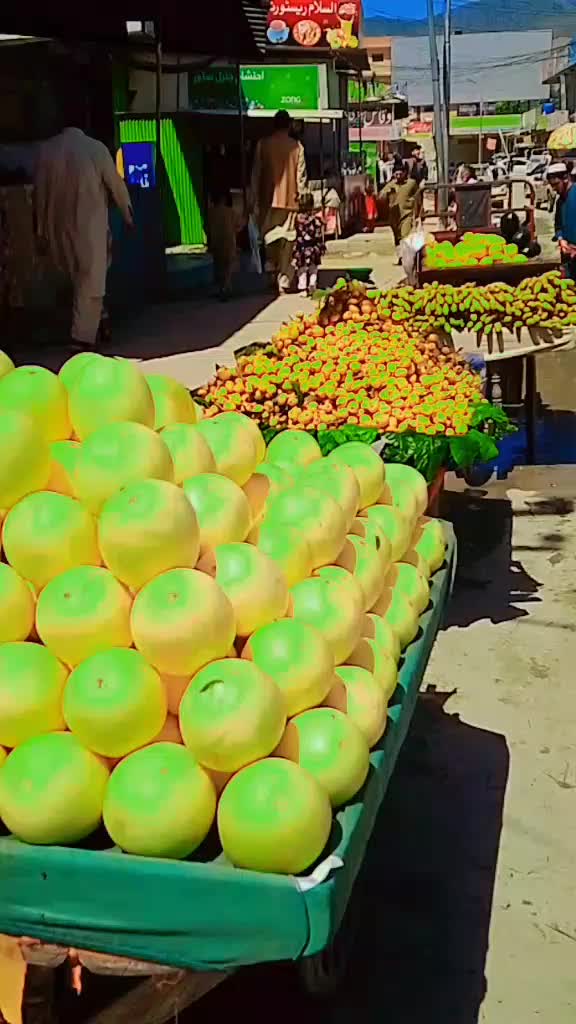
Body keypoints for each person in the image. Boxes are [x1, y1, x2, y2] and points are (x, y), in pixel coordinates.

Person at [35, 125, 133, 351]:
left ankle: (100, 321)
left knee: (79, 280)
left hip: (57, 228)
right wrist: (128, 215)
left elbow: (39, 194)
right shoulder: (96, 149)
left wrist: (40, 230)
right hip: (89, 229)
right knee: (91, 282)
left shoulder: (46, 152)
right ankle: (82, 338)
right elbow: (116, 185)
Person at [250, 109, 307, 294]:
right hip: (290, 201)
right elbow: (301, 177)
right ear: (289, 125)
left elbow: (256, 173)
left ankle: (271, 273)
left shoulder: (263, 145)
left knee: (269, 239)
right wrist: (302, 195)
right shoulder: (297, 147)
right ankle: (283, 279)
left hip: (267, 201)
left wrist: (253, 198)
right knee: (288, 242)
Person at [378, 162, 419, 260]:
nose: (398, 176)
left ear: (405, 173)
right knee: (397, 237)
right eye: (396, 174)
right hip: (394, 217)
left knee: (405, 235)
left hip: (407, 214)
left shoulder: (411, 183)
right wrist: (386, 194)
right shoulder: (391, 185)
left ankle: (406, 257)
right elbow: (380, 197)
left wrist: (418, 211)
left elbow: (418, 196)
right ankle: (400, 255)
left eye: (400, 174)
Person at [206, 184, 237, 300]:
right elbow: (238, 225)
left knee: (219, 266)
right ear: (224, 199)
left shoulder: (211, 213)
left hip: (216, 242)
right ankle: (226, 288)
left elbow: (207, 228)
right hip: (229, 241)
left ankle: (223, 288)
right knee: (229, 265)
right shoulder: (230, 212)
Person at [292, 192, 325, 297]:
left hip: (302, 248)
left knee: (302, 269)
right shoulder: (316, 219)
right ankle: (312, 285)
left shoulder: (297, 218)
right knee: (313, 268)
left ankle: (303, 289)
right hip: (314, 247)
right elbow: (319, 234)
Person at [547, 162, 576, 279]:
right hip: (567, 256)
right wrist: (561, 239)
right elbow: (558, 225)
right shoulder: (560, 201)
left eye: (556, 184)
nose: (554, 189)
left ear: (565, 178)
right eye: (552, 185)